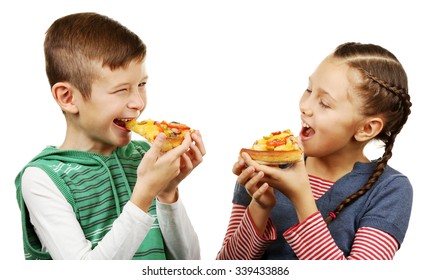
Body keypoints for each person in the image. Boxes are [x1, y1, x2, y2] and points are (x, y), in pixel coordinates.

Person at [14, 12, 206, 260]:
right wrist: (143, 195)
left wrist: (167, 193)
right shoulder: (43, 179)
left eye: (142, 84)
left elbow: (188, 263)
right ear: (68, 97)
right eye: (121, 90)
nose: (138, 102)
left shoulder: (144, 158)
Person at [217, 42, 412, 260]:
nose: (305, 106)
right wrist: (260, 207)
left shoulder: (390, 189)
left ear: (366, 128)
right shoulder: (266, 168)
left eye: (325, 103)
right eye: (309, 89)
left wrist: (301, 197)